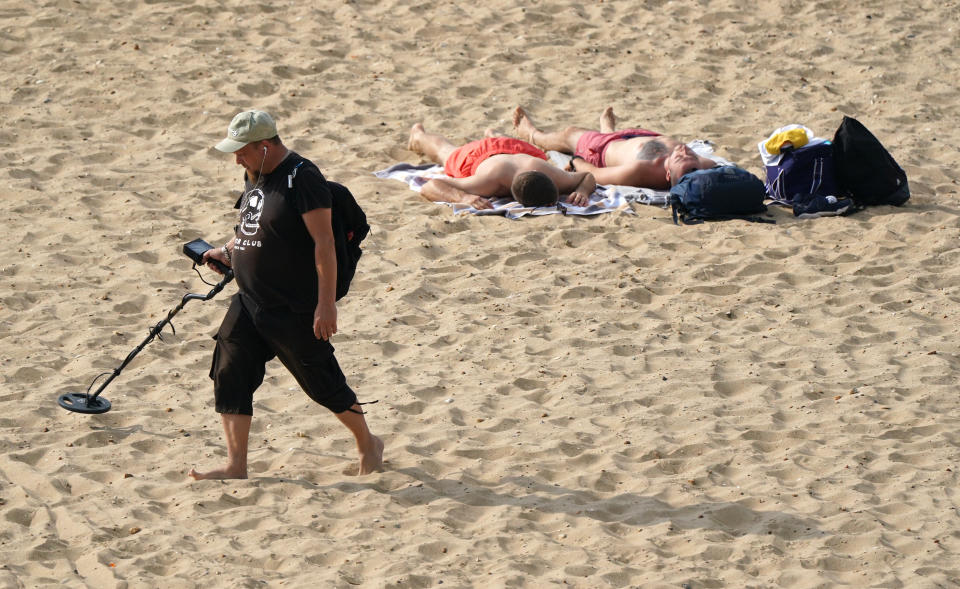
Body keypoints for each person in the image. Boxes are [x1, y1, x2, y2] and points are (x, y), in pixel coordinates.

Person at [189, 110, 383, 480]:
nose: (236, 159)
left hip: (293, 306)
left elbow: (324, 244)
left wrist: (325, 305)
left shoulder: (303, 178)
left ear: (265, 146)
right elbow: (252, 227)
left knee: (322, 383)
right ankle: (235, 464)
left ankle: (368, 443)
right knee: (230, 371)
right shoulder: (255, 175)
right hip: (249, 300)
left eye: (241, 151)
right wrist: (226, 252)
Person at [512, 106, 718, 190]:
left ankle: (532, 133)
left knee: (569, 134)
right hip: (642, 136)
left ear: (667, 174)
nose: (684, 150)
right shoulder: (701, 166)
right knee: (610, 136)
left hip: (602, 149)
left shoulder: (641, 171)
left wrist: (575, 161)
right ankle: (608, 129)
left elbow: (596, 174)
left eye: (680, 158)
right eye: (690, 153)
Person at [407, 123, 597, 210]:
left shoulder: (550, 174)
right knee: (446, 152)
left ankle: (495, 134)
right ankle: (418, 136)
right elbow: (430, 186)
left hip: (519, 151)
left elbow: (587, 177)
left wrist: (583, 191)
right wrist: (464, 197)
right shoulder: (488, 182)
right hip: (480, 156)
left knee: (504, 145)